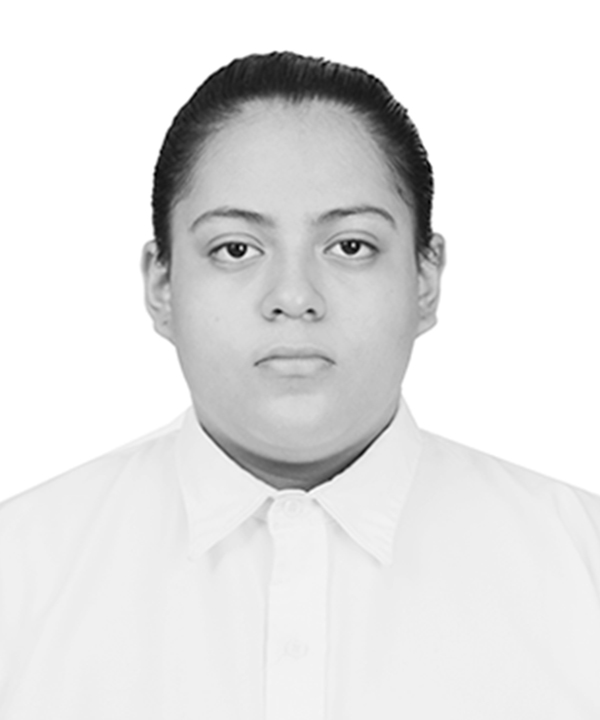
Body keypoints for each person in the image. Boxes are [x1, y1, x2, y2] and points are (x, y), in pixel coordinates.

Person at [1, 51, 599, 720]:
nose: (293, 296)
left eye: (350, 246)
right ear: (162, 286)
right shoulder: (19, 574)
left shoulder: (582, 568)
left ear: (425, 280)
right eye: (235, 249)